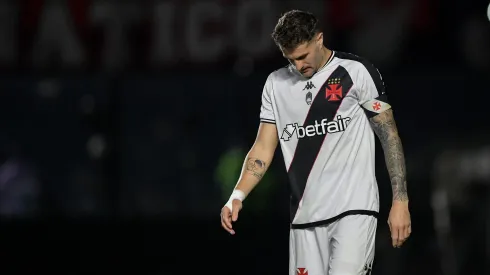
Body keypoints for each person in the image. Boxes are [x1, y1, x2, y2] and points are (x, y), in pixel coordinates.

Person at [220, 9, 411, 275]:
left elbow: (389, 135)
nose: (299, 66)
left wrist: (400, 201)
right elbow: (263, 147)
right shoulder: (276, 85)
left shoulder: (356, 72)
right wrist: (237, 195)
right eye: (291, 59)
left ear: (319, 39)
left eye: (303, 56)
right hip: (304, 219)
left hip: (354, 210)